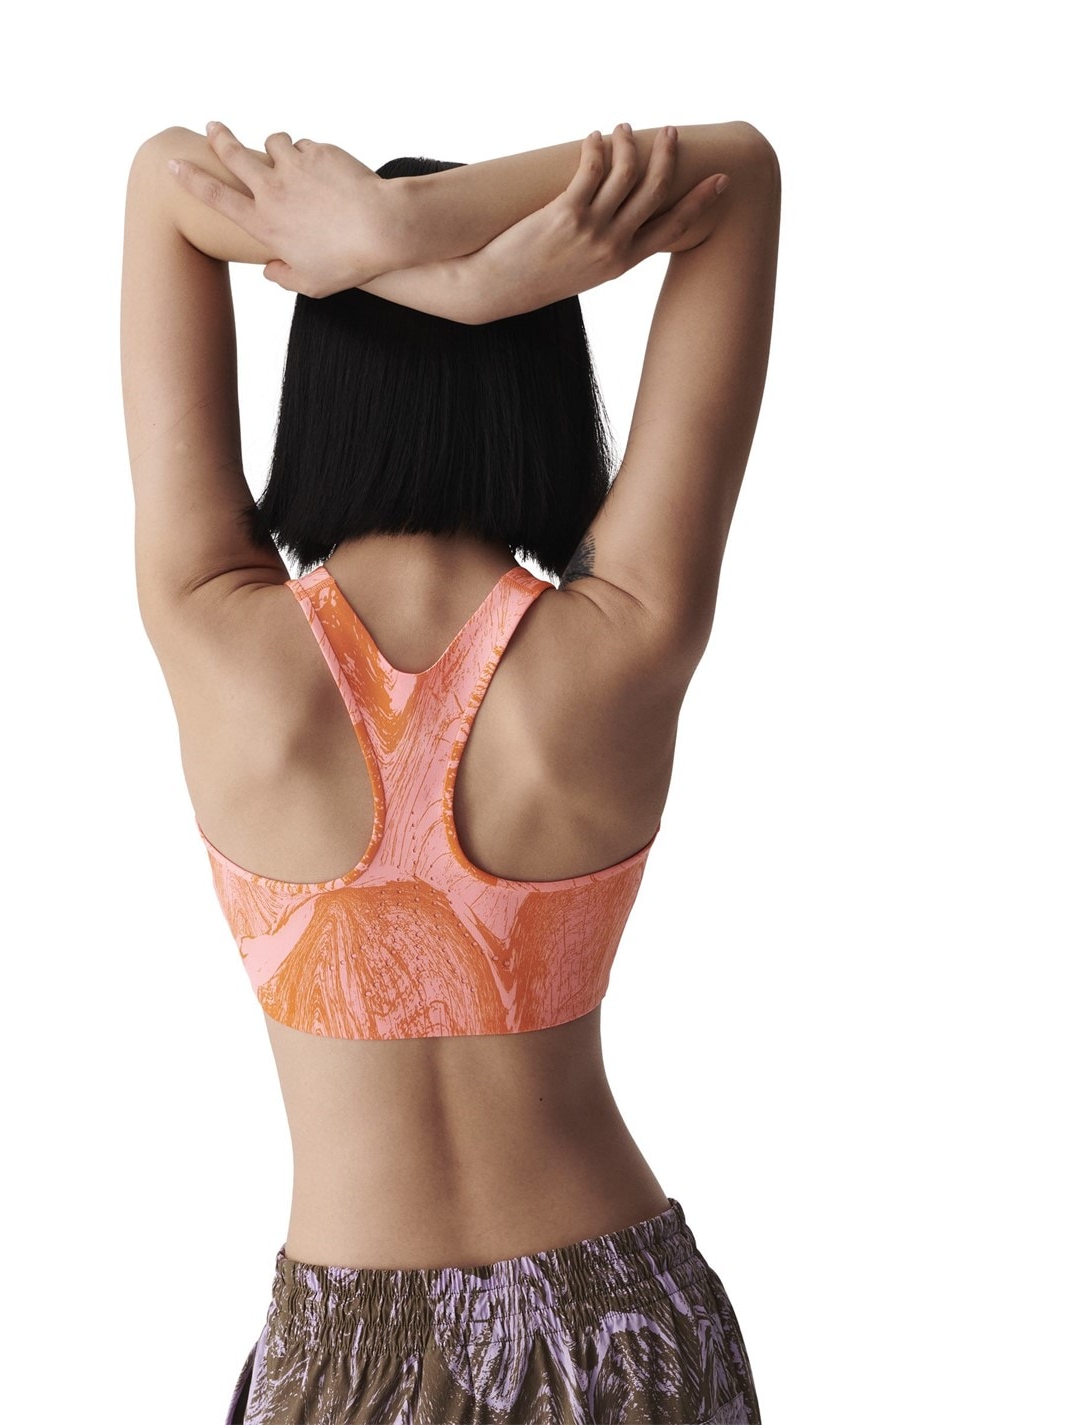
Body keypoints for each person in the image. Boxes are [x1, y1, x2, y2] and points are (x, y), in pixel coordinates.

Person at [120, 115, 780, 1424]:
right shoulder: (619, 640)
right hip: (623, 1331)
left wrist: (375, 247)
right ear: (541, 379)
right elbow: (741, 177)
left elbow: (161, 190)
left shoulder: (218, 636)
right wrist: (454, 261)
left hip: (340, 1354)